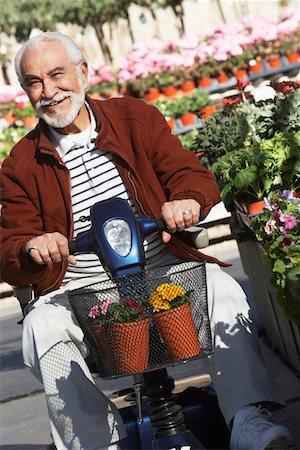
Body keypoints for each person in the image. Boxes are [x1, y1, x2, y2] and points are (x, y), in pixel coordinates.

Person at [0, 32, 296, 450]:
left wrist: (187, 202)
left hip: (163, 271)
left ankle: (250, 421)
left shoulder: (134, 118)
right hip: (82, 291)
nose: (47, 91)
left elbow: (191, 177)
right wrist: (31, 248)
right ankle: (98, 442)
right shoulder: (20, 163)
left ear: (84, 72)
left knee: (223, 290)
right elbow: (8, 247)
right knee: (39, 328)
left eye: (56, 75)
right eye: (34, 82)